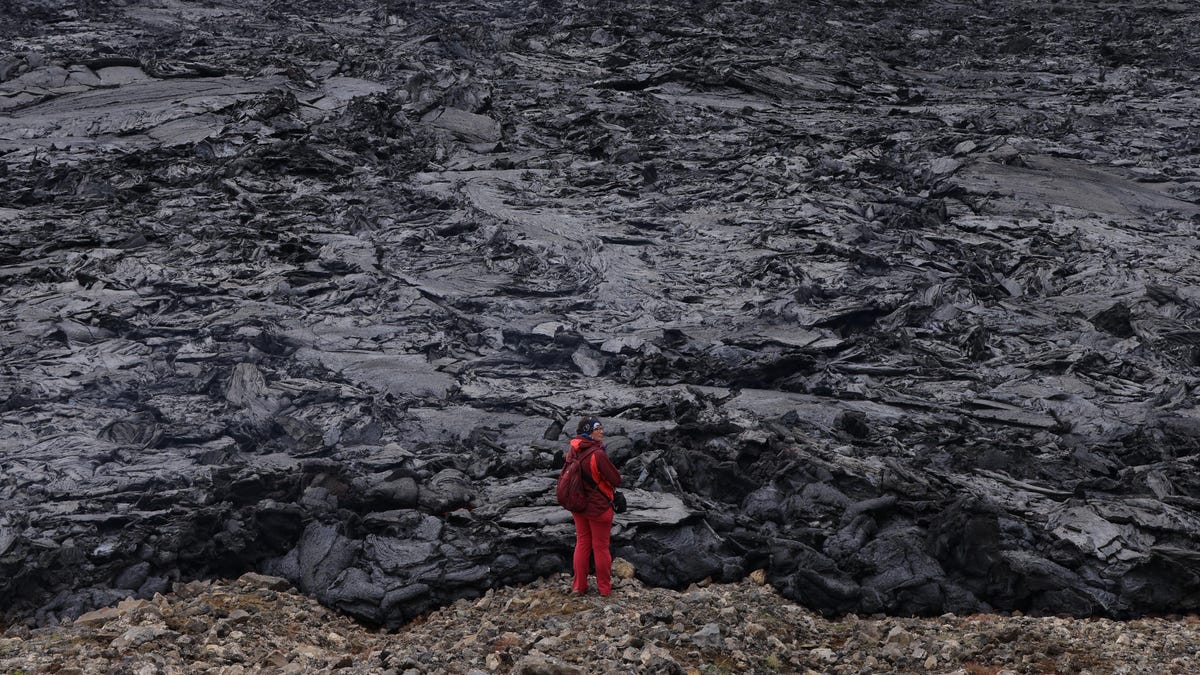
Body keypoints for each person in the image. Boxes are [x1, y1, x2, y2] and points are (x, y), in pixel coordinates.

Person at [566, 416, 622, 596]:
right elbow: (616, 479)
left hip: (578, 505)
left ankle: (578, 587)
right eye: (597, 428)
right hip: (598, 507)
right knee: (600, 547)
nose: (602, 431)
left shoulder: (572, 451)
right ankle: (604, 589)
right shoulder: (597, 454)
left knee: (582, 543)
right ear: (588, 431)